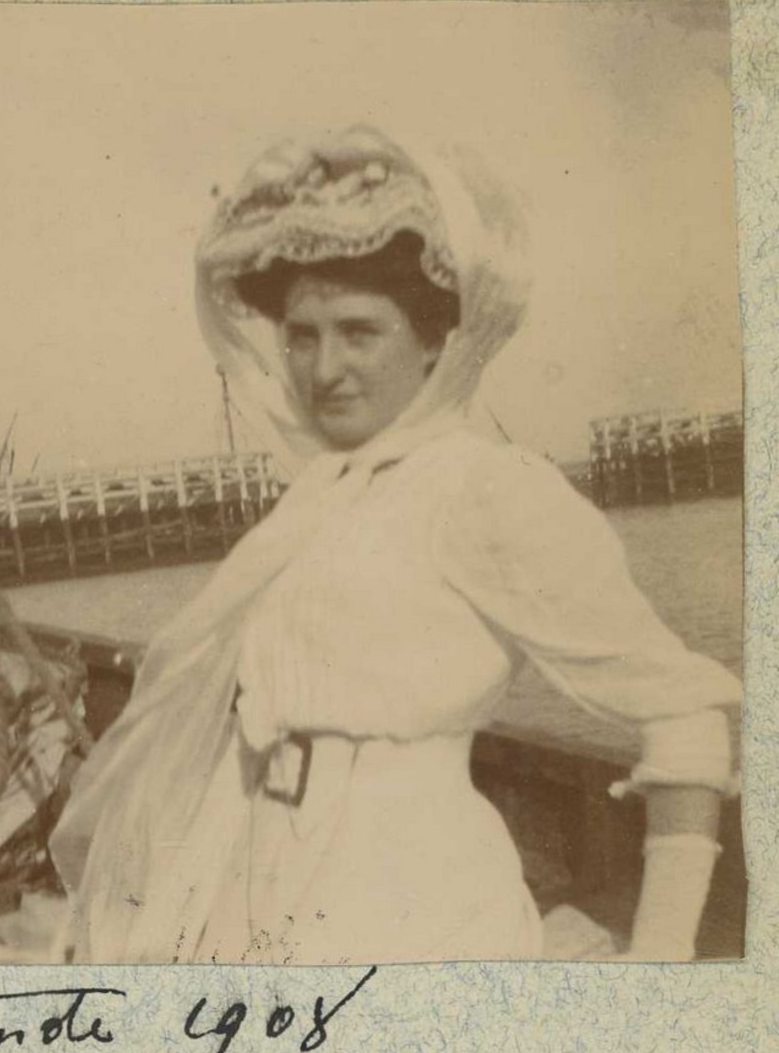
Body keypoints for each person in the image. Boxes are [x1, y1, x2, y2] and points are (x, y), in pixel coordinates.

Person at [48, 125, 741, 965]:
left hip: (410, 907)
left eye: (357, 331)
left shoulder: (487, 490)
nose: (322, 367)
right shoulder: (322, 497)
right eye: (300, 335)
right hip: (259, 888)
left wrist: (659, 961)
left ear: (431, 342)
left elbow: (686, 717)